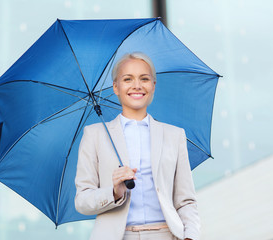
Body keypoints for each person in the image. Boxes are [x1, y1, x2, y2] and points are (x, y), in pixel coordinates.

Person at [75, 52, 200, 240]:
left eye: (144, 79)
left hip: (166, 234)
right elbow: (82, 201)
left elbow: (186, 201)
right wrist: (114, 192)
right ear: (116, 87)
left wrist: (191, 235)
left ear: (153, 86)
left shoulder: (174, 135)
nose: (137, 85)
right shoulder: (95, 135)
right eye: (127, 79)